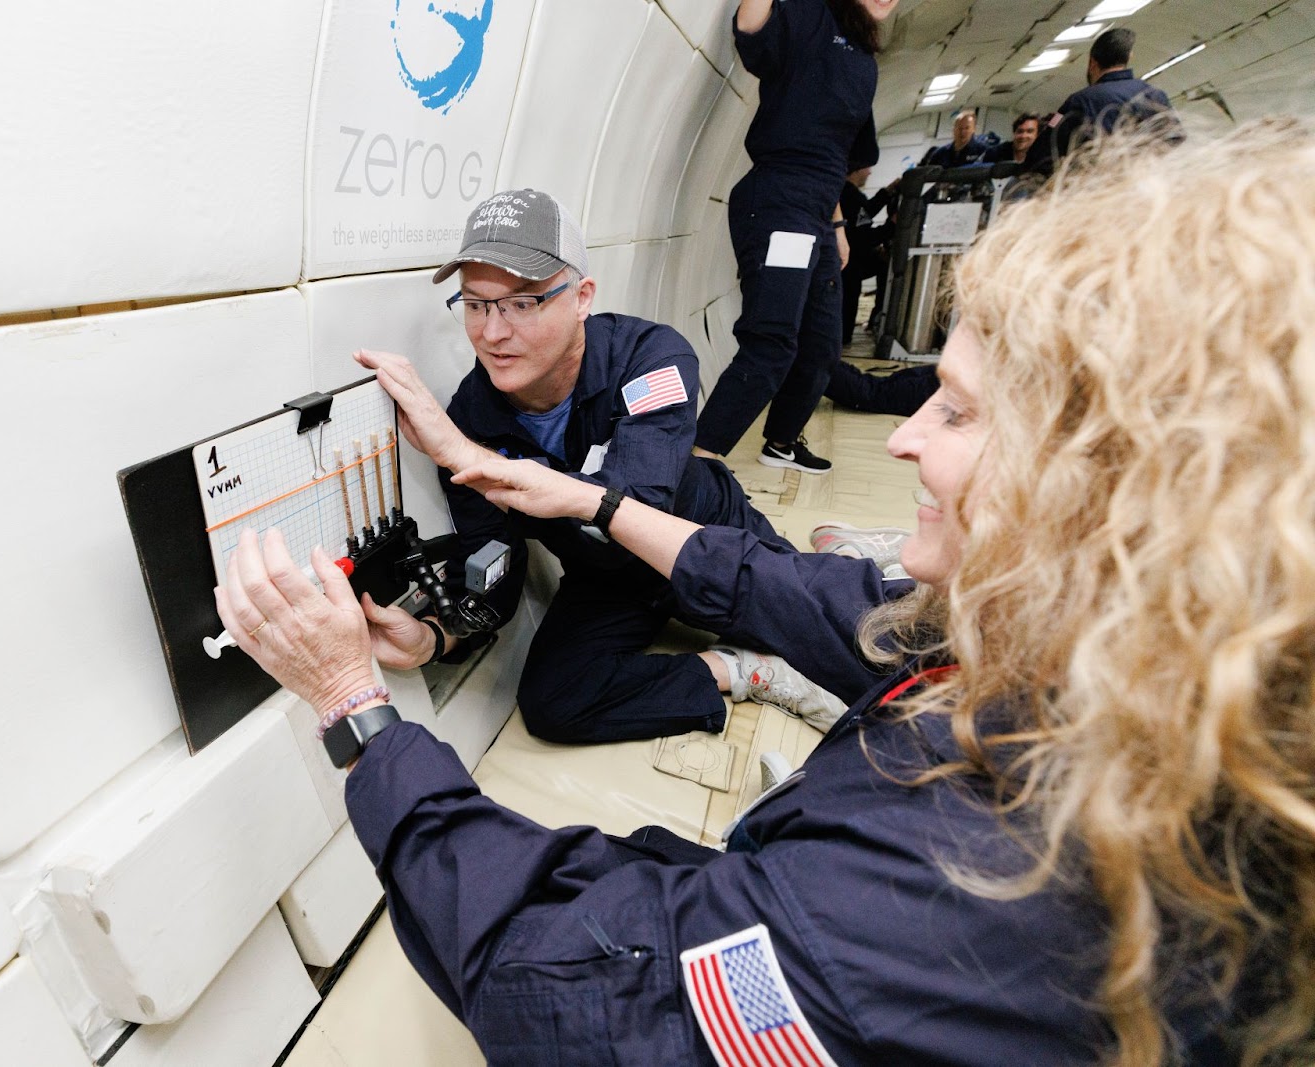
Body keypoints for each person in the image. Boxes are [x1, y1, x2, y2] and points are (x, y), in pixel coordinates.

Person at [216, 120, 1315, 1064]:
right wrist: (440, 624)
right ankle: (756, 652)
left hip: (686, 532)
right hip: (626, 571)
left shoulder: (641, 355)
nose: (913, 433)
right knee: (609, 707)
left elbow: (558, 982)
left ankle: (782, 643)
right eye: (476, 305)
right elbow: (496, 550)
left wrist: (351, 700)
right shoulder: (1089, 670)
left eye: (963, 413)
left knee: (773, 582)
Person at [350, 188, 841, 744]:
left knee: (835, 636)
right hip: (608, 576)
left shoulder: (650, 356)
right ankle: (741, 670)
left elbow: (637, 504)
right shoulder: (469, 420)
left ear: (581, 297)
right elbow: (492, 564)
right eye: (476, 304)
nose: (492, 333)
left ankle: (836, 558)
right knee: (553, 703)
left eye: (522, 302)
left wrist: (469, 458)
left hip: (707, 539)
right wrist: (437, 637)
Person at [692, 0, 898, 477]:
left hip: (819, 215)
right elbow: (751, 26)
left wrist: (839, 225)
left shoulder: (864, 61)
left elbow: (841, 154)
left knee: (824, 345)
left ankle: (781, 441)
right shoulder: (811, 14)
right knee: (771, 343)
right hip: (779, 200)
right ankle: (699, 463)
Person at [1029, 28, 1179, 173]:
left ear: (1092, 63)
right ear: (1128, 57)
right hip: (1146, 190)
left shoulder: (1078, 101)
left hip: (1098, 189)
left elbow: (1043, 150)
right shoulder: (1155, 94)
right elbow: (1174, 139)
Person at [837, 162, 894, 344]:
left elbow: (864, 213)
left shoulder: (847, 194)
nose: (870, 172)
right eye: (867, 167)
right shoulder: (851, 197)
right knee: (848, 296)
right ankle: (843, 337)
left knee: (881, 265)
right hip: (850, 260)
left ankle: (870, 321)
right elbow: (863, 235)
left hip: (848, 257)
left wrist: (886, 193)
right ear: (856, 168)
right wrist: (891, 225)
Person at [918, 108, 991, 168]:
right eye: (959, 128)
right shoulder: (940, 153)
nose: (963, 132)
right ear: (954, 129)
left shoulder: (983, 151)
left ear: (974, 129)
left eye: (967, 128)